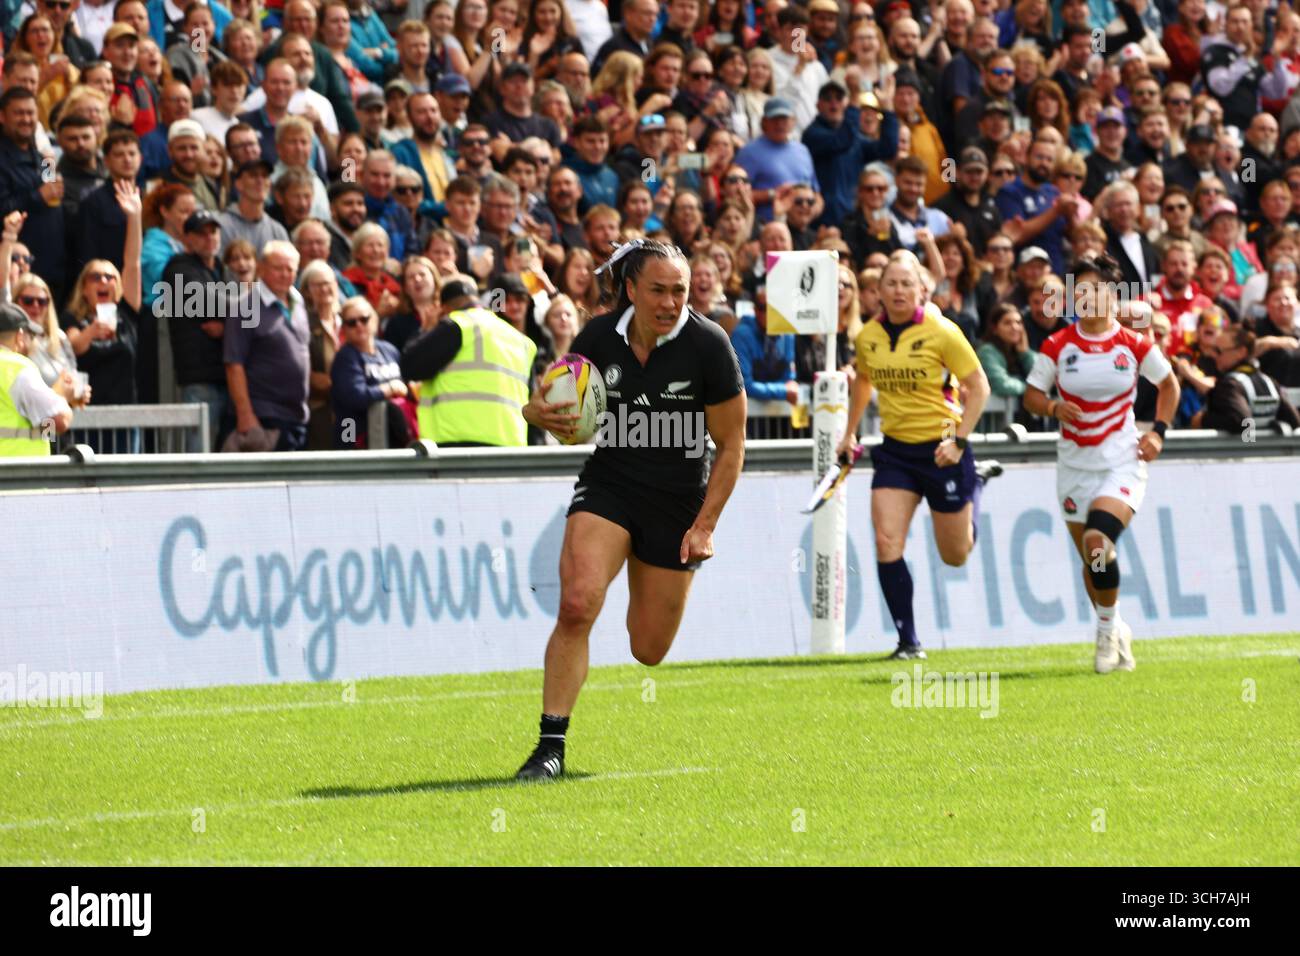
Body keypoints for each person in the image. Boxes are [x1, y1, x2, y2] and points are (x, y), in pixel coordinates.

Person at [512, 239, 745, 780]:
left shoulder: (709, 345)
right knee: (576, 604)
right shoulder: (597, 335)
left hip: (679, 502)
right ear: (631, 290)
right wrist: (538, 412)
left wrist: (705, 525)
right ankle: (550, 747)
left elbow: (733, 446)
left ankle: (653, 571)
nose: (670, 302)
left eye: (680, 291)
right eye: (658, 290)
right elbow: (557, 412)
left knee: (648, 649)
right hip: (610, 485)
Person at [838, 250, 1001, 660]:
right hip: (895, 452)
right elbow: (863, 381)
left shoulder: (942, 331)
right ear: (877, 291)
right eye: (890, 283)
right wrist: (850, 431)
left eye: (906, 283)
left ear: (921, 289)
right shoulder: (868, 336)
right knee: (886, 539)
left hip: (943, 449)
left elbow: (978, 386)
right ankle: (907, 641)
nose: (897, 291)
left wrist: (960, 440)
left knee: (955, 555)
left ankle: (975, 482)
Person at [1022, 254, 1181, 674]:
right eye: (1081, 290)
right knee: (1094, 563)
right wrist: (1054, 407)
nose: (1088, 297)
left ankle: (1105, 633)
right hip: (1074, 467)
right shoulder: (1057, 345)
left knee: (1098, 543)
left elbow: (1169, 384)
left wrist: (1158, 432)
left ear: (1114, 296)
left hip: (1121, 462)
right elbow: (1031, 395)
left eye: (1096, 290)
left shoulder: (1133, 343)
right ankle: (1115, 626)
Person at [399, 275, 536, 447]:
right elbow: (535, 407)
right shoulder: (522, 342)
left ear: (444, 309)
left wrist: (427, 329)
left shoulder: (456, 324)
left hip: (456, 444)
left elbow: (409, 366)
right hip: (511, 447)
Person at [223, 241, 312, 452]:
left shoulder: (298, 303)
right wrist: (246, 416)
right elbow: (234, 364)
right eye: (278, 268)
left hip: (297, 418)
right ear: (261, 268)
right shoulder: (246, 306)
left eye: (290, 269)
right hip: (264, 419)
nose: (285, 274)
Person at [163, 209, 237, 453]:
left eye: (213, 232)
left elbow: (242, 314)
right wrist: (240, 312)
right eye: (201, 233)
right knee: (199, 454)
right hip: (200, 379)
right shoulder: (177, 268)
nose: (209, 238)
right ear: (187, 239)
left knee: (225, 451)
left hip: (228, 375)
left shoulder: (222, 270)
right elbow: (210, 301)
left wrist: (226, 327)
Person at [330, 294, 410, 448]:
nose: (359, 325)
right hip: (353, 432)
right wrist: (389, 388)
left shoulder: (389, 350)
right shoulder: (345, 357)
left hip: (392, 434)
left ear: (374, 319)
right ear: (344, 328)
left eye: (364, 319)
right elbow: (355, 397)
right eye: (352, 323)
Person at [0, 303, 77, 456]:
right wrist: (61, 396)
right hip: (17, 472)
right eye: (32, 336)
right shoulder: (16, 367)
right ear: (20, 336)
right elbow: (59, 422)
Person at [1195, 324, 1300, 431]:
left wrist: (1202, 420)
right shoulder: (1268, 381)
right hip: (1265, 447)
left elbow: (1240, 422)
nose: (1213, 355)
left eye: (1218, 351)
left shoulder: (1230, 385)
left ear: (1241, 352)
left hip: (1241, 447)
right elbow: (1294, 420)